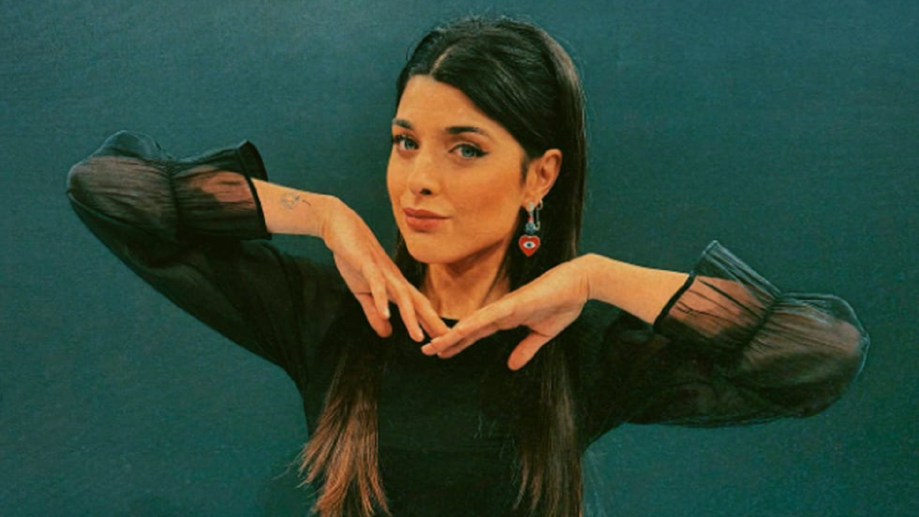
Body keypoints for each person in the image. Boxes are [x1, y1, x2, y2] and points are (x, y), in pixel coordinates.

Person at [65, 16, 868, 517]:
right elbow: (104, 189)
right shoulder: (332, 314)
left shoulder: (576, 352)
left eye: (465, 149)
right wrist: (321, 214)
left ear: (538, 177)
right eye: (405, 141)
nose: (418, 178)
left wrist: (597, 277)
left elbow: (819, 354)